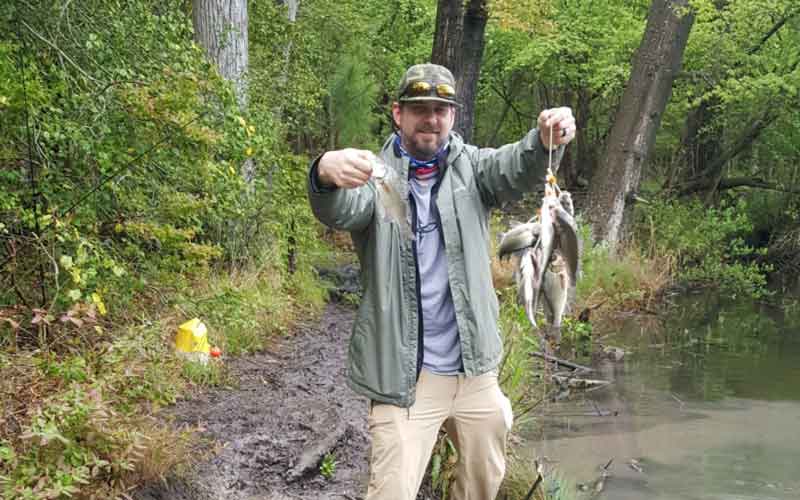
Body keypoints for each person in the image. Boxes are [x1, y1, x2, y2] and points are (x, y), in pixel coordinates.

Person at [307, 63, 575, 499]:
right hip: (404, 375)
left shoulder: (474, 170)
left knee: (483, 485)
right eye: (419, 109)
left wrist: (546, 140)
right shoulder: (374, 175)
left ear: (452, 116)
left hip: (475, 370)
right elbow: (341, 209)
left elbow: (517, 166)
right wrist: (323, 171)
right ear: (398, 114)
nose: (430, 118)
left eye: (440, 109)